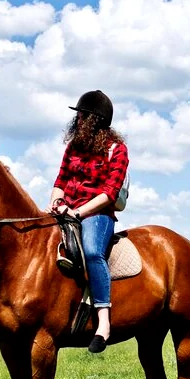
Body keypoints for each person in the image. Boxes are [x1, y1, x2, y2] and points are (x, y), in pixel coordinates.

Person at [50, 90, 129, 353]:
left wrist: (79, 213)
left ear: (96, 119)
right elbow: (60, 182)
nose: (78, 120)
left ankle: (103, 322)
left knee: (94, 252)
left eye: (83, 116)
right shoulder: (73, 147)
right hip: (66, 210)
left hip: (97, 214)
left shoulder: (117, 150)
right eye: (78, 116)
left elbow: (109, 193)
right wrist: (56, 202)